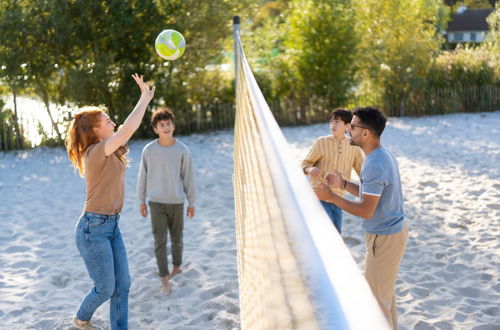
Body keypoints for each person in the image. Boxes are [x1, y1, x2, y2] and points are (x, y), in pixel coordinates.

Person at [66, 74, 155, 329]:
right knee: (105, 288)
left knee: (123, 284)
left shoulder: (110, 149)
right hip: (93, 229)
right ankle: (81, 318)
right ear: (95, 130)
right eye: (107, 120)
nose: (113, 122)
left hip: (111, 226)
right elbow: (127, 129)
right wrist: (144, 99)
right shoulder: (95, 152)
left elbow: (123, 133)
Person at [313, 107, 408, 329]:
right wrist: (344, 185)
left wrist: (332, 198)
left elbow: (366, 210)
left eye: (353, 126)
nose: (348, 130)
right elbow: (370, 193)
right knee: (384, 298)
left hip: (385, 239)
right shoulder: (381, 155)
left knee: (376, 305)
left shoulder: (374, 163)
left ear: (365, 133)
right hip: (391, 235)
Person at [137, 107, 196, 293]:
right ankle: (164, 277)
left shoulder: (182, 150)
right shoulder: (149, 150)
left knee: (177, 238)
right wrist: (141, 200)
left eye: (168, 124)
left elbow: (189, 178)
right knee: (159, 241)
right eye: (161, 125)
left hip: (177, 202)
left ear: (173, 126)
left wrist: (191, 202)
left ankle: (177, 267)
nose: (165, 127)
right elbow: (142, 177)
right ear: (155, 129)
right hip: (156, 203)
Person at [302, 108, 364, 233]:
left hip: (338, 199)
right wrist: (310, 169)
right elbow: (305, 163)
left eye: (337, 122)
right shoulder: (321, 142)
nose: (332, 125)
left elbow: (362, 171)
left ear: (347, 126)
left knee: (336, 235)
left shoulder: (354, 146)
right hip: (319, 196)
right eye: (331, 121)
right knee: (328, 233)